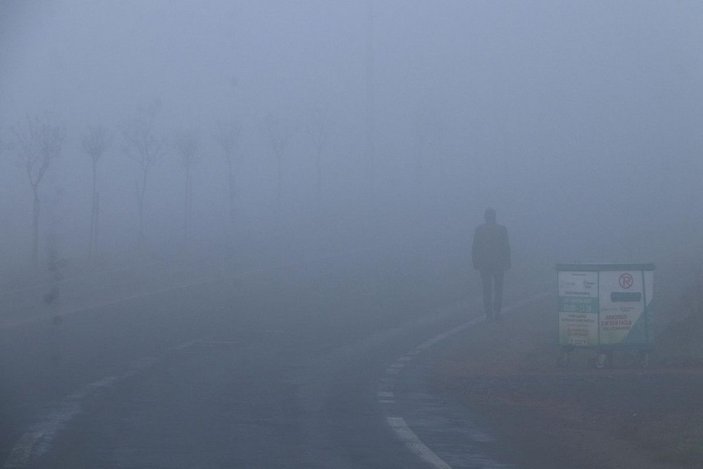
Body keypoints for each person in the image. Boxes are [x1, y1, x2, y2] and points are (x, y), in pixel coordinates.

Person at [472, 208, 511, 321]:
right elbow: (506, 247)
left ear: (485, 217)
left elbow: (475, 248)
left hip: (484, 264)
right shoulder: (502, 230)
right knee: (498, 288)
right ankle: (497, 312)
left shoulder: (479, 230)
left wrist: (475, 262)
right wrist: (508, 262)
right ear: (494, 217)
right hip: (498, 264)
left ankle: (488, 313)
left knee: (486, 289)